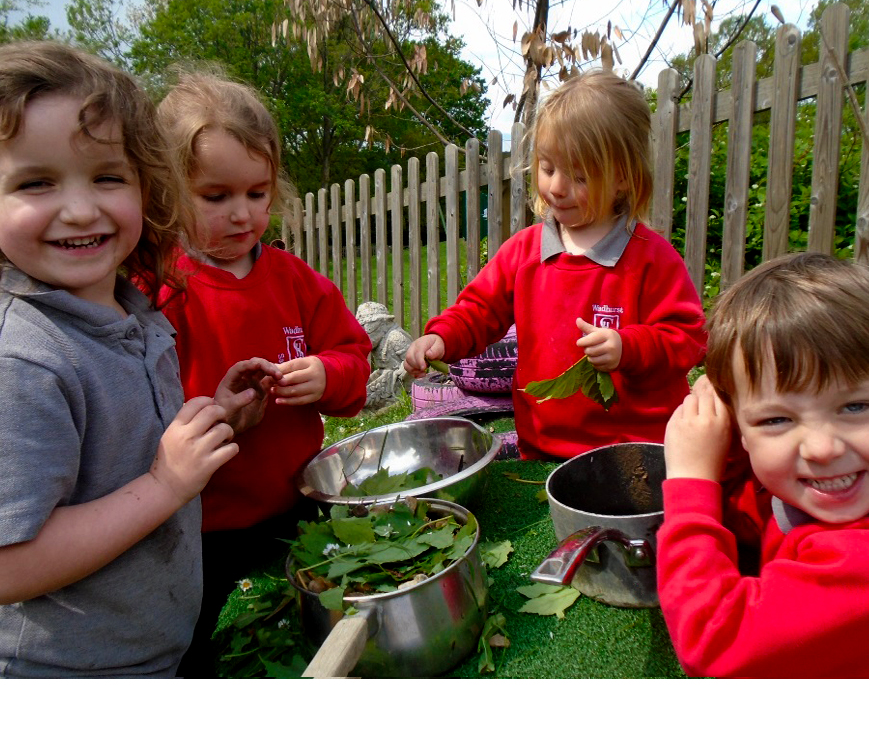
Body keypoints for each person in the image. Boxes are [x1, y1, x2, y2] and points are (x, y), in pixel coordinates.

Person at [0, 41, 281, 678]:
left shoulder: (133, 312)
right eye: (36, 182)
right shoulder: (24, 360)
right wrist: (166, 485)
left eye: (106, 176)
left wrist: (213, 419)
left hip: (154, 649)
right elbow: (9, 564)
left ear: (146, 187)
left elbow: (121, 449)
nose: (79, 208)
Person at [155, 69, 371, 676]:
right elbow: (135, 408)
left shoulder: (296, 280)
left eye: (257, 193)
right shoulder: (161, 289)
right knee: (202, 655)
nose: (242, 214)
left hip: (296, 506)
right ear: (168, 191)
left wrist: (327, 376)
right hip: (200, 527)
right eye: (215, 196)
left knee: (323, 630)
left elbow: (355, 360)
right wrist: (217, 415)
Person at [404, 70, 706, 459]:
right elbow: (479, 309)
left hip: (635, 450)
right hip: (543, 448)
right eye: (547, 168)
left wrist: (628, 347)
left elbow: (688, 339)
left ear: (624, 179)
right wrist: (443, 336)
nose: (557, 187)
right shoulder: (524, 252)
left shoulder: (652, 259)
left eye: (579, 176)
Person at [657, 251, 869, 678]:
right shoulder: (818, 488)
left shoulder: (857, 564)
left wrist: (692, 480)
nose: (822, 448)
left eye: (856, 406)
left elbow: (716, 642)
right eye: (776, 419)